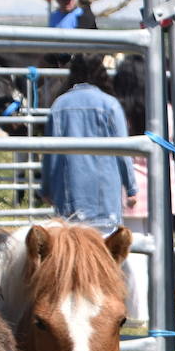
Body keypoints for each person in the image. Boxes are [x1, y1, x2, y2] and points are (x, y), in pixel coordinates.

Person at [39, 53, 136, 230]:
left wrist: (46, 189)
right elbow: (123, 151)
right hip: (105, 203)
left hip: (69, 205)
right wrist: (131, 188)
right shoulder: (110, 105)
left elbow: (50, 154)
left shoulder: (59, 105)